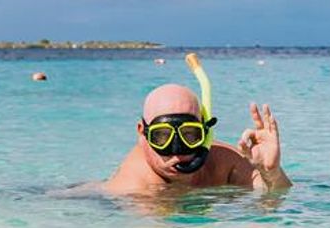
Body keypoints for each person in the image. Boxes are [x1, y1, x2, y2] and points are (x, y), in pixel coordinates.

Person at [103, 81, 292, 196]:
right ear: (142, 133)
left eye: (189, 135)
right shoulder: (135, 188)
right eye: (162, 136)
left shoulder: (225, 162)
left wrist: (271, 172)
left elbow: (275, 200)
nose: (177, 152)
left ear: (206, 132)